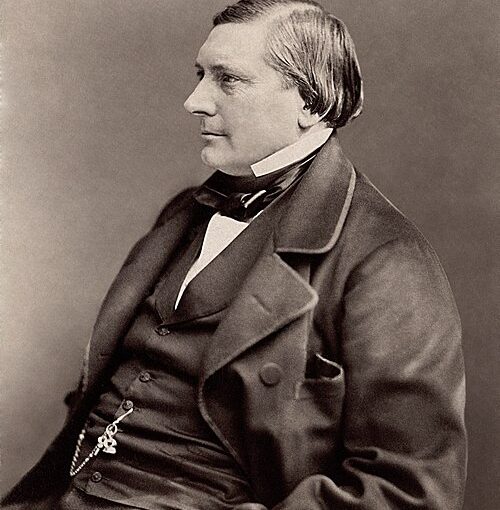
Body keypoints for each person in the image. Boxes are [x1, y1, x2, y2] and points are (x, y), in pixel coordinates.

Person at [2, 0, 466, 509]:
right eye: (200, 75)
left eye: (228, 80)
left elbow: (408, 489)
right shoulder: (186, 212)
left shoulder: (387, 260)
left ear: (310, 104)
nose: (194, 101)